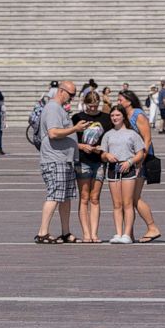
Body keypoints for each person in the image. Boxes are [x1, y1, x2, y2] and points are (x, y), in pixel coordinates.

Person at [35, 80, 89, 243]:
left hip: (64, 159)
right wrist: (75, 129)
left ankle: (65, 232)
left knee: (65, 197)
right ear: (61, 91)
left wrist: (78, 145)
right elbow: (53, 133)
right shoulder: (52, 108)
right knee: (55, 195)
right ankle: (43, 232)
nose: (72, 99)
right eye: (71, 95)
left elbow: (62, 135)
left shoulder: (59, 109)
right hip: (55, 159)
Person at [116, 90, 162, 242]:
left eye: (120, 100)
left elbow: (147, 139)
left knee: (134, 198)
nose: (118, 102)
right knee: (127, 199)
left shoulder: (137, 114)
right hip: (130, 159)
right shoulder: (126, 116)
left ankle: (152, 227)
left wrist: (140, 160)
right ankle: (129, 233)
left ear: (129, 101)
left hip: (140, 160)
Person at [100, 105, 146, 244]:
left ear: (124, 117)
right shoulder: (108, 134)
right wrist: (107, 155)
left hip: (127, 168)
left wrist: (130, 162)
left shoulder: (132, 134)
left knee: (127, 203)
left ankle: (127, 234)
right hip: (113, 168)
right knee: (116, 204)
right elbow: (102, 154)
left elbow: (140, 153)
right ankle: (118, 233)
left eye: (117, 115)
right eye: (112, 115)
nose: (115, 118)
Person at [71, 90, 111, 243]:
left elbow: (108, 139)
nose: (93, 109)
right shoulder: (77, 117)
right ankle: (86, 233)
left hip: (99, 160)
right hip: (83, 160)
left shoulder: (105, 118)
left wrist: (102, 148)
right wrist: (82, 146)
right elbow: (70, 139)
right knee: (84, 197)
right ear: (85, 104)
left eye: (95, 106)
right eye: (90, 106)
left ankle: (94, 233)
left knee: (95, 198)